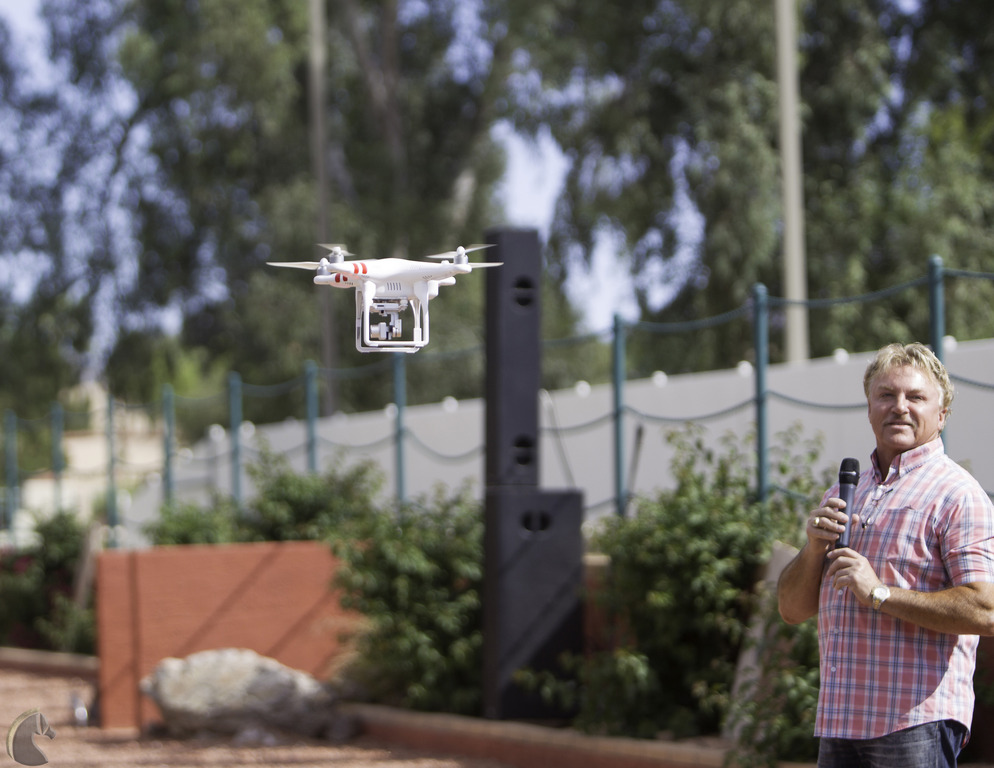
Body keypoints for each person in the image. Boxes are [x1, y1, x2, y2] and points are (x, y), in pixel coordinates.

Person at [777, 342, 994, 768]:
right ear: (869, 408)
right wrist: (813, 547)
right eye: (886, 395)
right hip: (840, 723)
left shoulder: (957, 494)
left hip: (913, 725)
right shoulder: (843, 493)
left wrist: (880, 594)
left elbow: (986, 609)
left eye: (915, 397)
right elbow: (791, 609)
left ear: (941, 413)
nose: (899, 407)